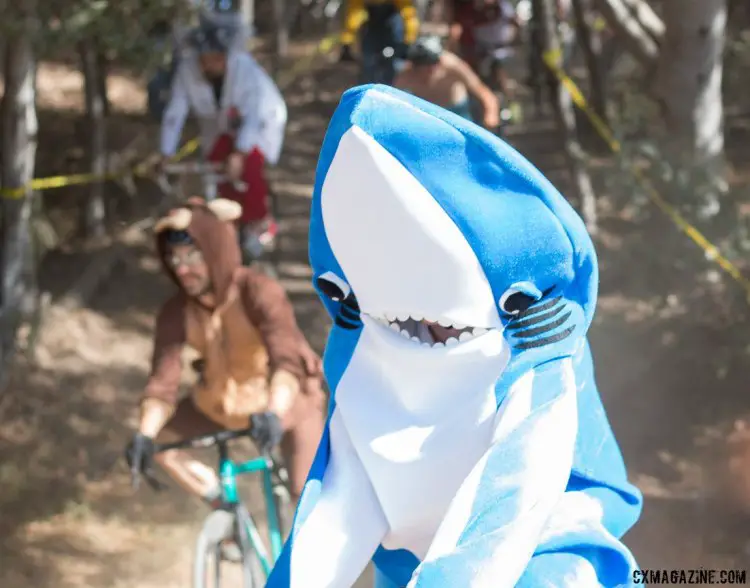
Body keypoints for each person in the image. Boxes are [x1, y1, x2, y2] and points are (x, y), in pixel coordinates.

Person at [265, 85, 642, 587]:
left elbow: (518, 486)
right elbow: (339, 497)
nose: (429, 332)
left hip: (549, 554)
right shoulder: (369, 348)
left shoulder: (535, 352)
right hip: (408, 559)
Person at [125, 197, 326, 515]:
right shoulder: (177, 311)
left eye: (192, 256)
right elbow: (163, 383)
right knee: (165, 446)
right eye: (174, 260)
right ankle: (227, 511)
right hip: (219, 405)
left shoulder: (258, 291)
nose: (183, 270)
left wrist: (274, 412)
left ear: (215, 251)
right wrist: (144, 434)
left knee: (310, 499)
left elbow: (285, 360)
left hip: (287, 404)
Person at [159, 13, 286, 258]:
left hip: (260, 122)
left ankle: (258, 222)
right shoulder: (187, 70)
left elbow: (253, 116)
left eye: (217, 59)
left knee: (249, 166)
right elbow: (175, 111)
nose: (210, 65)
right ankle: (228, 221)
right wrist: (166, 152)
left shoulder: (245, 69)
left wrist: (240, 153)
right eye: (205, 59)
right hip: (222, 126)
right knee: (217, 166)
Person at [394, 34, 499, 128]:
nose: (429, 71)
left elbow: (483, 92)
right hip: (427, 118)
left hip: (458, 115)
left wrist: (491, 114)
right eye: (423, 65)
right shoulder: (407, 74)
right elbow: (391, 98)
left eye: (432, 64)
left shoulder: (452, 66)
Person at [447, 0, 522, 120]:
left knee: (502, 78)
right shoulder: (471, 10)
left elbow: (516, 22)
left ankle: (510, 105)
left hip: (502, 51)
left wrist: (516, 38)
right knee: (481, 83)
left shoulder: (502, 7)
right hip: (481, 52)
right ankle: (485, 110)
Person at [339, 0, 421, 85]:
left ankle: (393, 92)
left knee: (395, 65)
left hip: (393, 29)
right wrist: (347, 41)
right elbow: (355, 14)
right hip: (371, 28)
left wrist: (409, 40)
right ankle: (367, 92)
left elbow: (408, 14)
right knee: (368, 65)